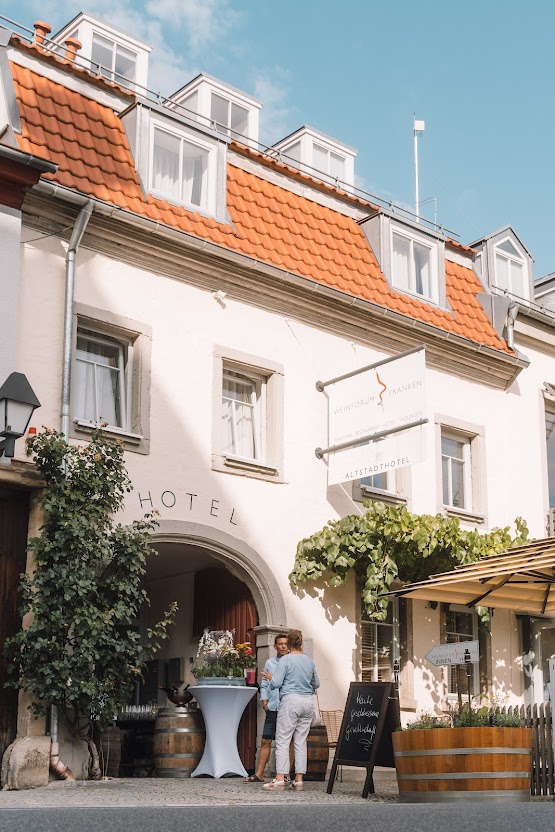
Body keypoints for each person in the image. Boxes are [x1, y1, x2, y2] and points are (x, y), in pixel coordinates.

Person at [261, 628, 319, 790]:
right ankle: (299, 778)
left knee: (283, 740)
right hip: (307, 702)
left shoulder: (285, 660)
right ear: (300, 643)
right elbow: (317, 684)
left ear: (290, 643)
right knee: (300, 741)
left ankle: (280, 777)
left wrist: (270, 679)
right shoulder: (309, 660)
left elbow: (277, 683)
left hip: (290, 701)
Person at [244, 633, 292, 783]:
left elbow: (290, 683)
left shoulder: (292, 662)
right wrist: (265, 702)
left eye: (285, 643)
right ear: (275, 646)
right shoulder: (270, 663)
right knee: (266, 740)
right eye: (280, 644)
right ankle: (259, 774)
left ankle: (285, 775)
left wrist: (274, 678)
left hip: (287, 706)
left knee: (288, 742)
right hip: (272, 707)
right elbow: (264, 684)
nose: (283, 646)